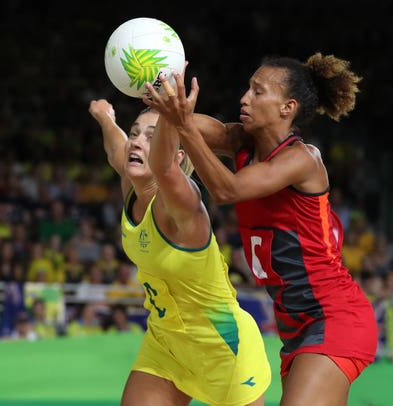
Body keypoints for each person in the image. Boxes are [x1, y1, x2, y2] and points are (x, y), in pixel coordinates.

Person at [145, 54, 378, 405]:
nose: (244, 98)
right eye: (247, 89)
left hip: (335, 318)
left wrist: (183, 123)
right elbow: (184, 123)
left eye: (257, 92)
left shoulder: (302, 160)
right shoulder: (241, 141)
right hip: (296, 326)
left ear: (287, 107)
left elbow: (227, 190)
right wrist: (165, 99)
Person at [88, 99, 270, 406]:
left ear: (177, 155)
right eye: (136, 133)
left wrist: (173, 107)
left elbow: (165, 168)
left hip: (222, 347)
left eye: (151, 136)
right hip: (166, 343)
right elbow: (115, 148)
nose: (137, 142)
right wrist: (105, 117)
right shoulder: (132, 183)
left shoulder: (185, 204)